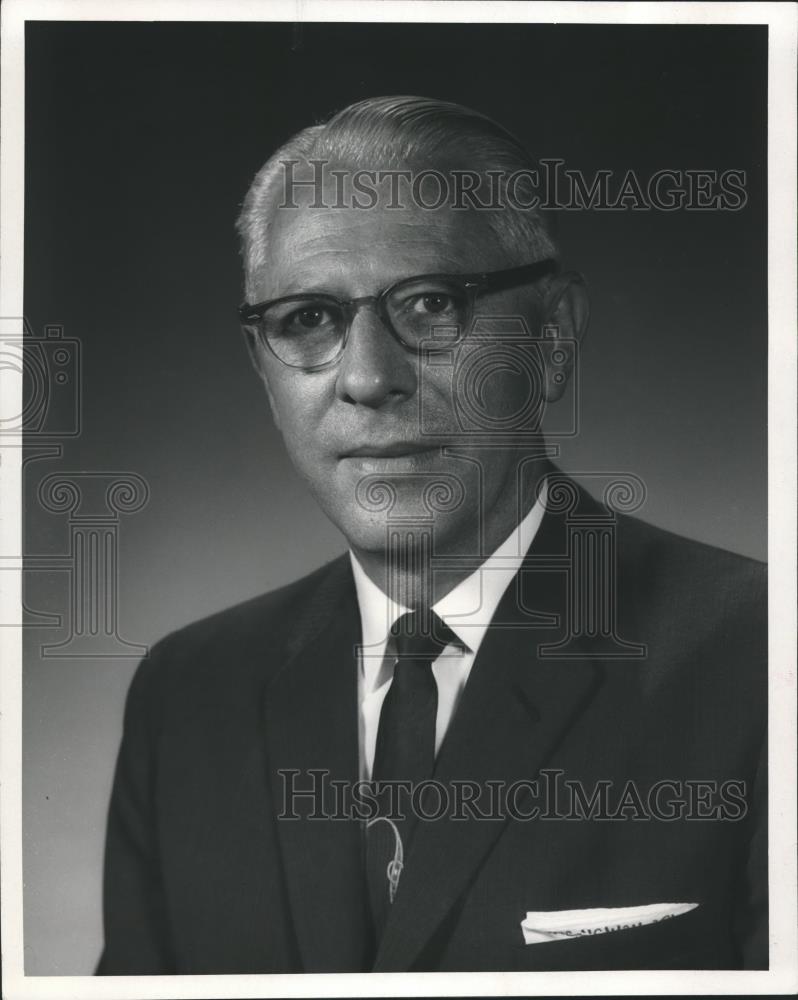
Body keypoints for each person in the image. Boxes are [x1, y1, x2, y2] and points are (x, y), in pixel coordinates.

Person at [97, 96, 767, 974]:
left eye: (431, 303)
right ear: (263, 371)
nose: (369, 378)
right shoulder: (188, 697)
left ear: (554, 338)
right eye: (308, 319)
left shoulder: (759, 660)